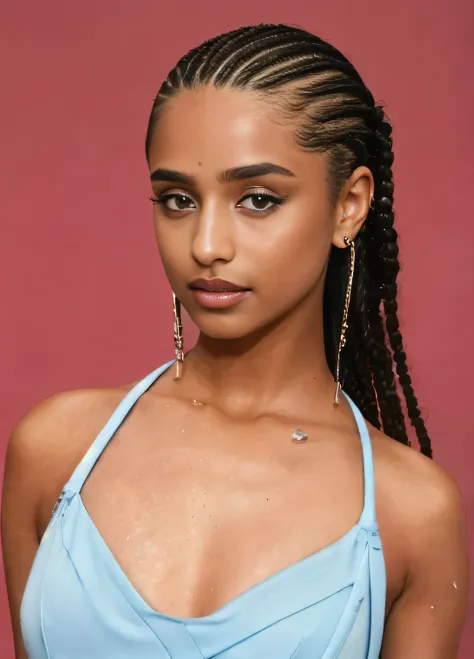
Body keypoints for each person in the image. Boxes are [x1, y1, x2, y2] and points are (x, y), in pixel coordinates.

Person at [1, 22, 469, 659]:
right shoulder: (55, 449)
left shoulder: (410, 512)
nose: (206, 245)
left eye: (256, 198)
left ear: (349, 206)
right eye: (176, 200)